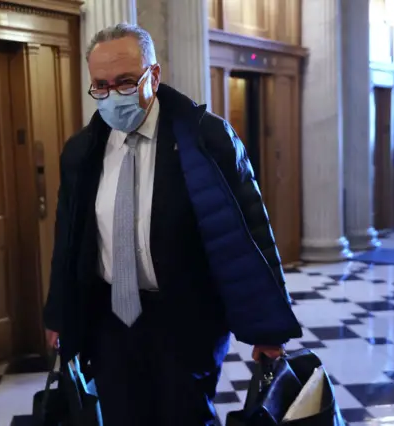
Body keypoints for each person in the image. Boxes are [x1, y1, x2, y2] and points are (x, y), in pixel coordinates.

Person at [43, 23, 302, 426]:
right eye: (102, 86)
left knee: (185, 415)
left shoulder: (206, 137)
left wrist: (267, 326)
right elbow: (69, 236)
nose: (114, 95)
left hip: (185, 315)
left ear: (155, 75)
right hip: (109, 317)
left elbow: (247, 229)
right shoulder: (83, 150)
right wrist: (58, 314)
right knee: (122, 416)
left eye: (127, 82)